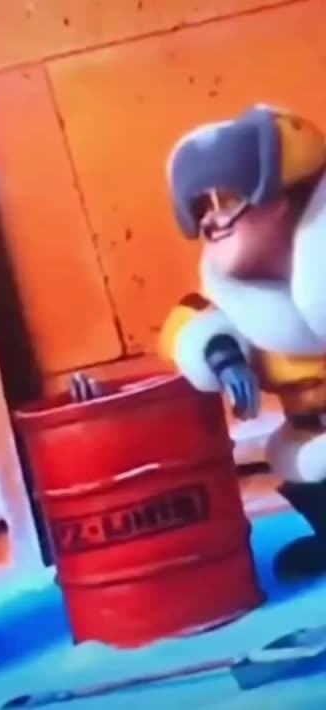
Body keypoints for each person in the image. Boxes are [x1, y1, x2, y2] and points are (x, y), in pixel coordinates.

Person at [158, 105, 325, 581]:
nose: (213, 220)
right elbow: (185, 321)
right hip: (309, 438)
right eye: (202, 207)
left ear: (286, 199)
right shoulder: (230, 301)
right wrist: (220, 352)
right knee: (306, 470)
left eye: (228, 199)